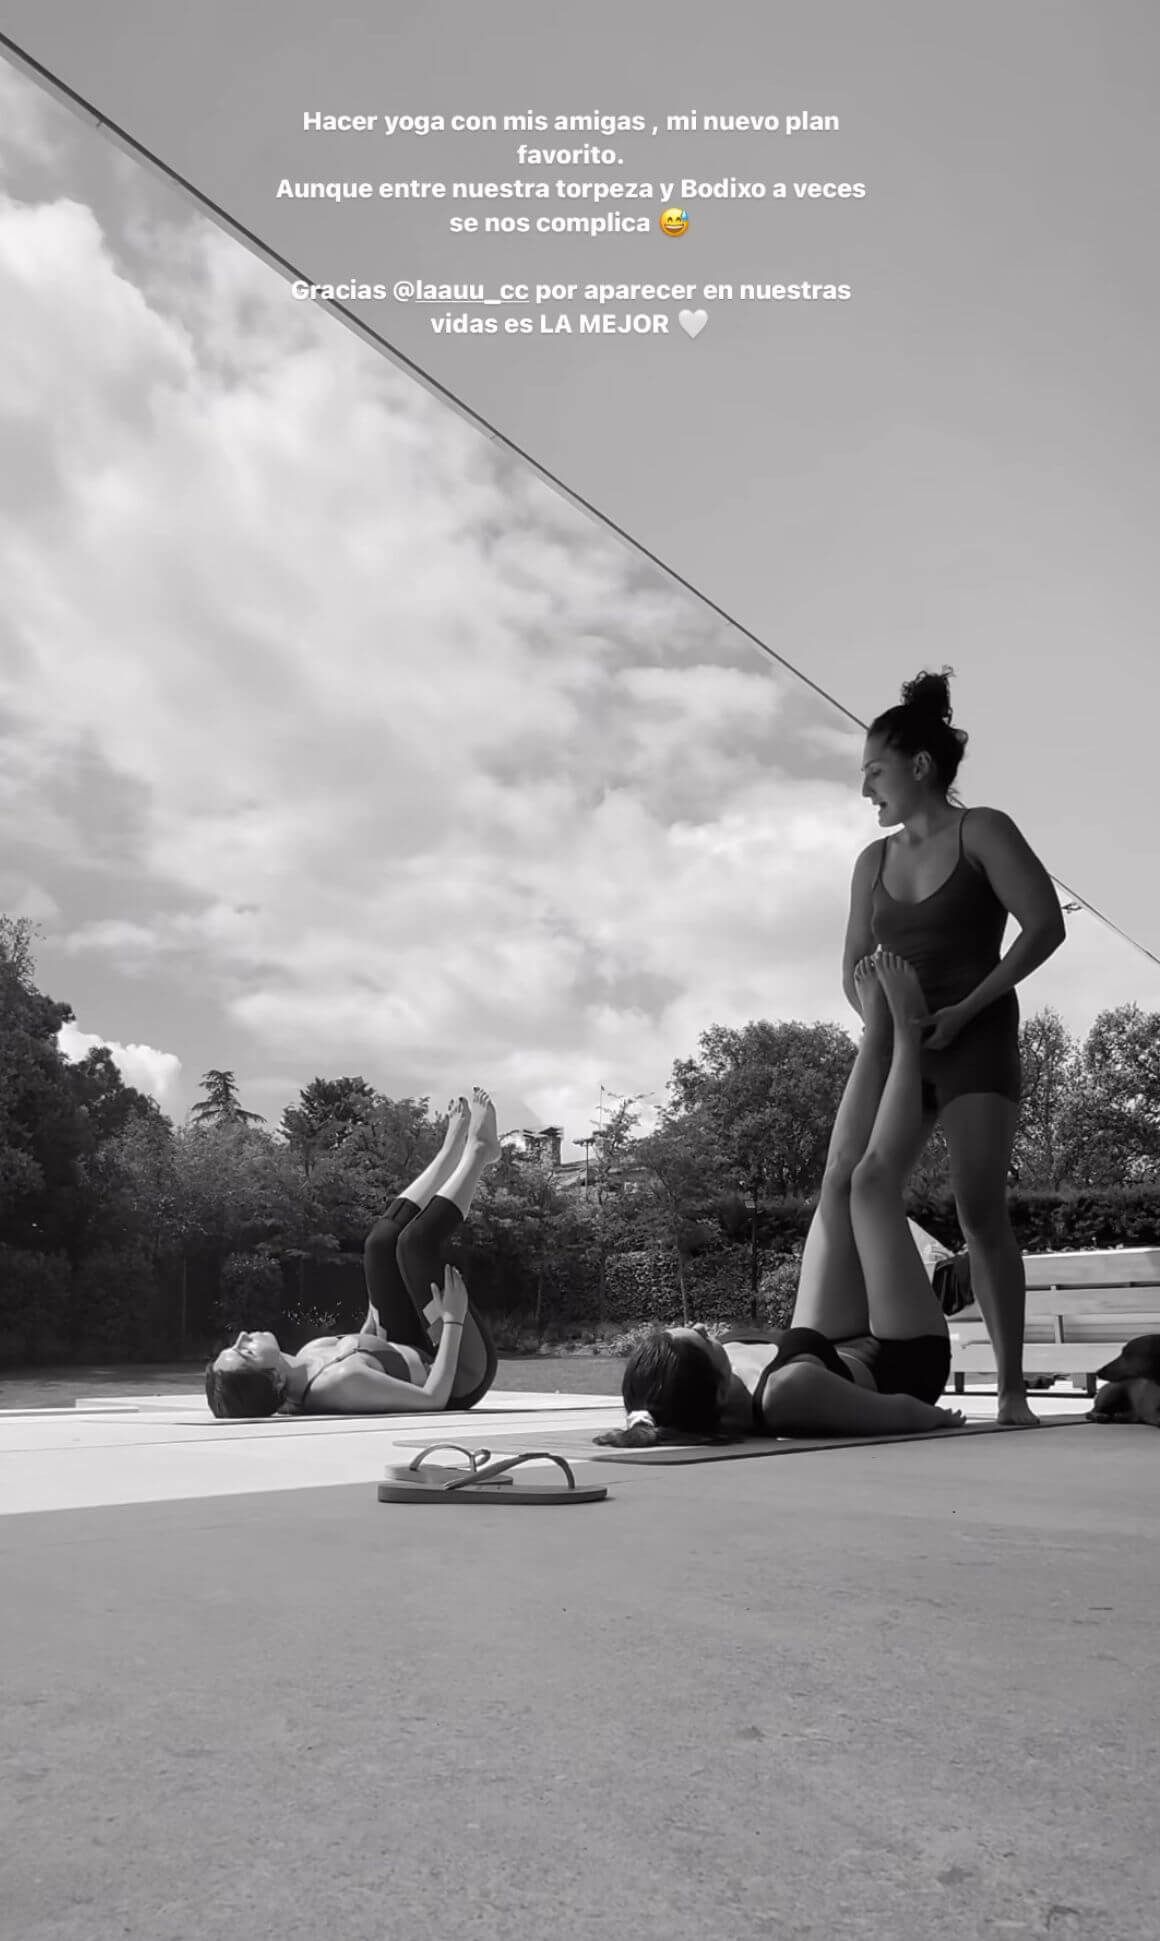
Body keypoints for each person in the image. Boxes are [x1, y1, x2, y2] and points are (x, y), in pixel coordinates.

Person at [597, 952, 968, 1445]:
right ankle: (906, 1031)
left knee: (837, 1181)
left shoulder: (721, 1393)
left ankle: (876, 1033)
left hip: (836, 1347)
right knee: (870, 1186)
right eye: (701, 1338)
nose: (704, 1324)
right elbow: (904, 1411)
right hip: (904, 1361)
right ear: (715, 1390)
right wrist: (936, 1420)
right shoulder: (786, 1396)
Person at [846, 668, 1066, 1425]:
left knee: (978, 1208)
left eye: (874, 771)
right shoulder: (870, 862)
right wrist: (887, 1022)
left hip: (974, 1040)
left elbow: (1045, 925)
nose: (866, 789)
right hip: (903, 1048)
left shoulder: (985, 830)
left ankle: (1010, 1391)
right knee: (866, 1184)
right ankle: (885, 1348)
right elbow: (852, 969)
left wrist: (967, 1007)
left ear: (918, 766)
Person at [205, 1089, 501, 1418]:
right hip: (459, 1372)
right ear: (273, 1379)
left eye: (234, 1345)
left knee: (378, 1245)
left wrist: (377, 1307)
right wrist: (453, 1319)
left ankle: (448, 1154)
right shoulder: (339, 1384)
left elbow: (370, 1348)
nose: (242, 1337)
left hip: (412, 1343)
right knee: (414, 1245)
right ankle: (478, 1152)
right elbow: (434, 1399)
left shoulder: (306, 1357)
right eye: (244, 1352)